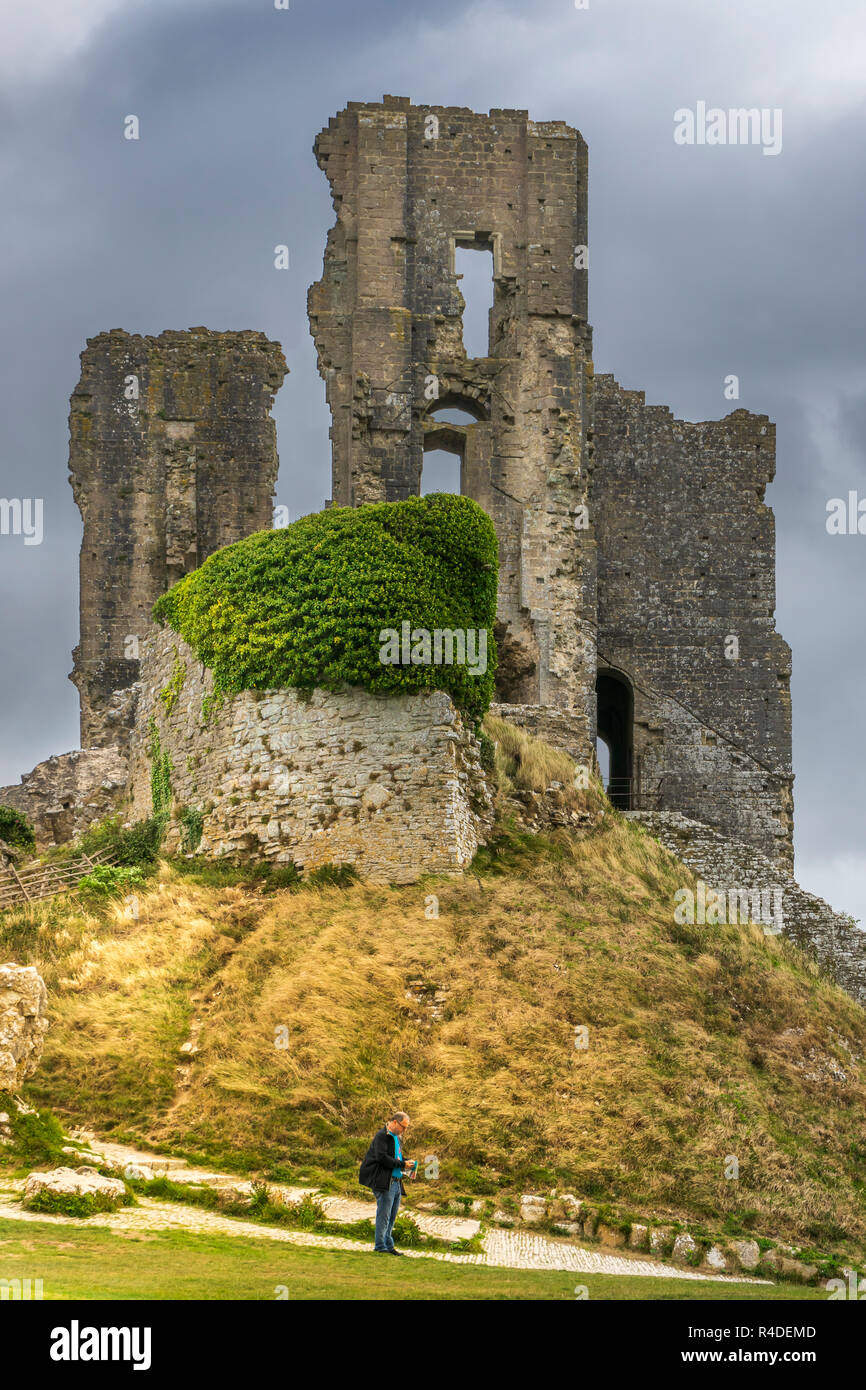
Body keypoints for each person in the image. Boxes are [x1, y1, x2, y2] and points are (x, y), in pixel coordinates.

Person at [358, 1111, 417, 1254]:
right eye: (403, 1126)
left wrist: (408, 1163)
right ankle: (380, 1246)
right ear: (395, 1122)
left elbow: (397, 1157)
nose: (405, 1130)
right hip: (384, 1182)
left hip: (396, 1182)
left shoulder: (397, 1138)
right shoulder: (382, 1136)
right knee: (383, 1215)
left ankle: (389, 1245)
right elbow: (382, 1158)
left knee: (391, 1217)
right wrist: (402, 1164)